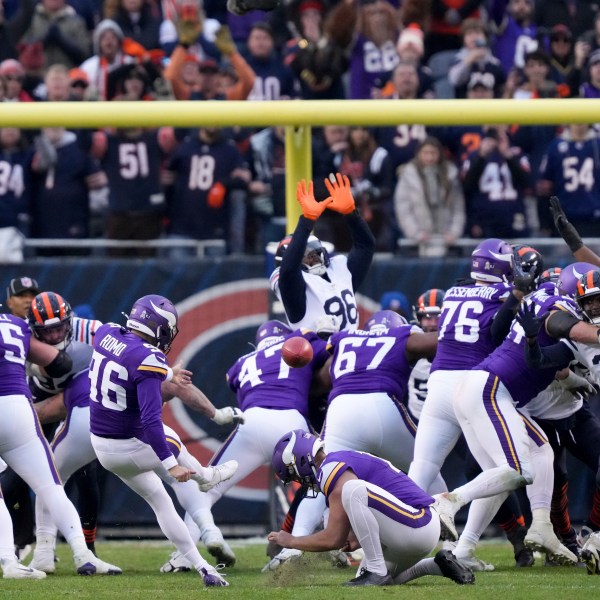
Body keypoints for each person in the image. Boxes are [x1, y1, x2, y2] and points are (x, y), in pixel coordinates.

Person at [161, 319, 330, 573]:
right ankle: (294, 549)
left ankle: (186, 555)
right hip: (291, 420)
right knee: (319, 484)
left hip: (251, 421)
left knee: (206, 488)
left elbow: (238, 385)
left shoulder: (242, 362)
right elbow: (326, 359)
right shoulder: (300, 339)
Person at [89, 294, 235, 587]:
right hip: (130, 445)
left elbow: (130, 359)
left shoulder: (106, 333)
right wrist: (170, 465)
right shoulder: (149, 358)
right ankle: (207, 476)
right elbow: (151, 421)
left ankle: (204, 568)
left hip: (102, 447)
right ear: (159, 327)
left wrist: (169, 372)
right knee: (168, 436)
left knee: (160, 501)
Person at [0, 293, 121, 578]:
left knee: (79, 477)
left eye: (59, 327)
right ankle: (65, 551)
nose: (53, 334)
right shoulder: (17, 328)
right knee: (50, 484)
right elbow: (59, 362)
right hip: (23, 408)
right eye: (46, 330)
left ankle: (13, 560)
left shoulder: (88, 331)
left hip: (64, 406)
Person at [268, 430, 475, 586]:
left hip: (418, 521)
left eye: (294, 475)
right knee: (382, 579)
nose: (298, 481)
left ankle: (376, 571)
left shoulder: (330, 468)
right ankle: (438, 565)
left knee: (353, 490)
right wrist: (357, 536)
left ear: (302, 461)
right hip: (411, 529)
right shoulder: (337, 461)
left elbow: (333, 538)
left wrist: (292, 541)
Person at [270, 173, 375, 331]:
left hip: (352, 351)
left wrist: (351, 214)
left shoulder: (339, 271)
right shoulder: (294, 287)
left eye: (316, 254)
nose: (315, 261)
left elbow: (366, 245)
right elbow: (289, 271)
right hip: (319, 354)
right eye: (307, 258)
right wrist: (307, 221)